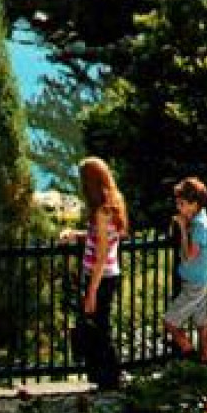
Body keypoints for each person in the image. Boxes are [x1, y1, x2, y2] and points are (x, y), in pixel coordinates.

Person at [61, 157, 127, 389]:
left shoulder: (101, 211)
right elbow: (104, 239)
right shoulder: (115, 203)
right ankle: (107, 377)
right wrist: (78, 235)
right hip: (109, 274)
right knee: (100, 326)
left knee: (99, 328)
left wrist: (91, 291)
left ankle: (111, 377)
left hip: (101, 276)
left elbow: (100, 257)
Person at [163, 177, 207, 363]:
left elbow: (190, 255)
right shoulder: (204, 220)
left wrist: (183, 229)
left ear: (194, 204)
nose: (179, 208)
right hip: (202, 279)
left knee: (170, 322)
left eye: (182, 203)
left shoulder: (199, 225)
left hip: (194, 281)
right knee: (202, 322)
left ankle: (189, 351)